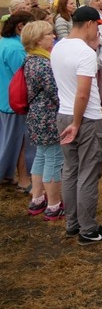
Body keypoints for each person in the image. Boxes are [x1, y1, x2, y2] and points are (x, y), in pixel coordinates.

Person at [51, 6, 102, 245]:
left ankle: (73, 223)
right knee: (88, 173)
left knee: (70, 170)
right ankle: (88, 229)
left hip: (63, 113)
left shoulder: (58, 47)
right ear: (90, 24)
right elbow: (83, 93)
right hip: (85, 118)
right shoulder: (85, 53)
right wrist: (78, 123)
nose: (98, 31)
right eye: (98, 26)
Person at [22, 20, 63, 219]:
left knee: (41, 156)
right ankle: (54, 204)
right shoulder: (44, 64)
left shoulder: (30, 60)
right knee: (54, 158)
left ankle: (37, 198)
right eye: (49, 34)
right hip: (48, 117)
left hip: (36, 115)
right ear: (38, 40)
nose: (53, 37)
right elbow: (55, 93)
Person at [0, 11, 35, 193]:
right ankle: (23, 179)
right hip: (14, 104)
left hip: (5, 101)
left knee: (8, 140)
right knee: (20, 142)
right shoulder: (15, 48)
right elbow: (23, 77)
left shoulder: (5, 43)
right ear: (21, 27)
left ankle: (7, 173)